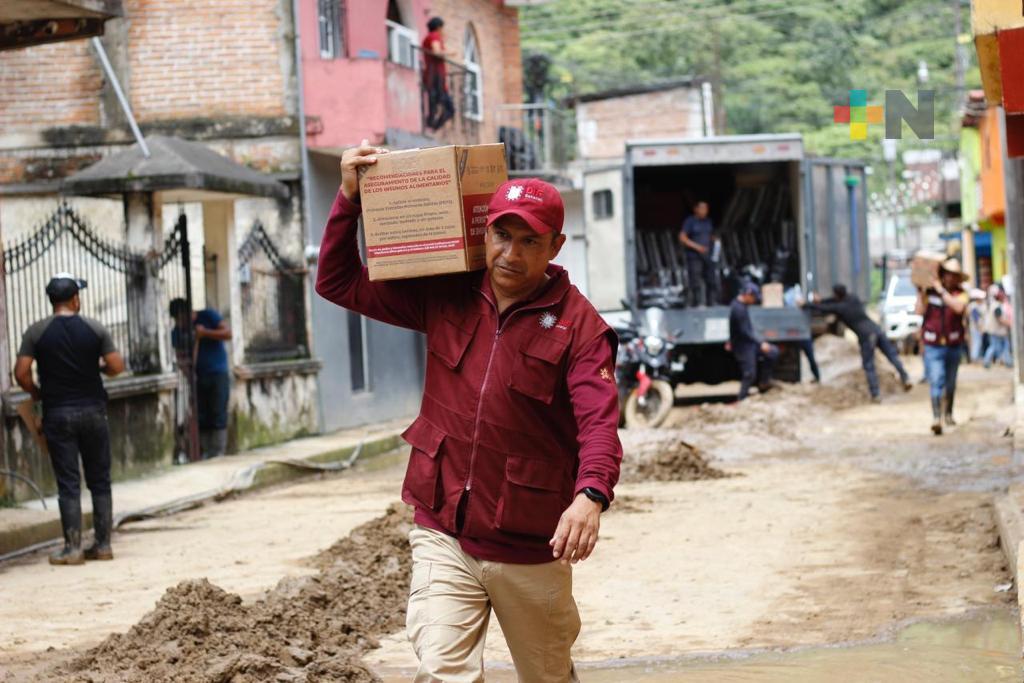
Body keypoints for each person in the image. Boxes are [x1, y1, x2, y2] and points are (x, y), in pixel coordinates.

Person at [316, 141, 622, 682]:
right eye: (503, 236)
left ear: (556, 245)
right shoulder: (446, 292)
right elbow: (337, 282)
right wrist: (348, 199)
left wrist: (590, 495)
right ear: (485, 232)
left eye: (531, 241)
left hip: (530, 545)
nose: (512, 253)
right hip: (443, 532)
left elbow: (598, 421)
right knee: (441, 672)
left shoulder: (581, 327)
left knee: (547, 677)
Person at [14, 273, 124, 565]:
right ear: (76, 299)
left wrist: (36, 392)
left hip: (58, 414)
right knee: (100, 479)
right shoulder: (94, 328)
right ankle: (102, 545)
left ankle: (72, 548)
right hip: (93, 412)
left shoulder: (36, 332)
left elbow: (21, 373)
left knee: (68, 482)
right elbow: (116, 365)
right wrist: (96, 369)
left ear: (52, 300)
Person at [804, 284, 912, 403]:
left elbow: (824, 308)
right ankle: (905, 377)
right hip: (877, 330)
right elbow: (831, 301)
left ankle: (875, 394)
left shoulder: (840, 308)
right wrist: (821, 300)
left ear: (836, 295)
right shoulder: (853, 298)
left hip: (866, 336)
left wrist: (806, 304)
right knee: (892, 356)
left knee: (869, 365)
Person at [169, 298, 232, 458]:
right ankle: (205, 452)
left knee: (217, 413)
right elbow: (180, 356)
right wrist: (188, 371)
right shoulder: (177, 332)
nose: (180, 322)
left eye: (181, 318)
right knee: (201, 415)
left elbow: (228, 333)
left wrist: (205, 333)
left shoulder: (208, 316)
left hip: (218, 373)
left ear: (188, 313)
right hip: (197, 377)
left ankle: (218, 452)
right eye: (177, 320)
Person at [916, 258, 969, 435]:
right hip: (933, 345)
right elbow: (919, 311)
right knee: (936, 379)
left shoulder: (960, 294)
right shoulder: (929, 294)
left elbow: (959, 308)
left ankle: (948, 414)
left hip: (954, 344)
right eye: (947, 274)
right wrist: (921, 293)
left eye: (954, 275)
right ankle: (936, 418)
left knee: (951, 383)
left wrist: (941, 291)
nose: (950, 278)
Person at [727, 282, 779, 400]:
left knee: (773, 352)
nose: (754, 301)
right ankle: (741, 399)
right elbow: (744, 331)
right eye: (754, 297)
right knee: (749, 374)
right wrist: (761, 343)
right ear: (748, 295)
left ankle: (764, 383)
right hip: (742, 346)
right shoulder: (738, 309)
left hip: (748, 343)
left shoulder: (741, 306)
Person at [678, 200, 718, 306]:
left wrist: (715, 242)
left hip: (707, 255)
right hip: (694, 256)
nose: (704, 211)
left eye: (706, 208)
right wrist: (697, 247)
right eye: (702, 208)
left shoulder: (708, 222)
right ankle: (697, 303)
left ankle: (712, 303)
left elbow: (711, 235)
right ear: (696, 209)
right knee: (695, 280)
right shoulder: (690, 221)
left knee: (711, 279)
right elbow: (682, 237)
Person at [422, 16, 455, 130]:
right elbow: (436, 52)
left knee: (438, 104)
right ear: (438, 27)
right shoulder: (434, 36)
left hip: (434, 77)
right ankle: (433, 125)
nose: (443, 31)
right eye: (442, 28)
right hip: (435, 77)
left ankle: (432, 124)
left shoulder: (430, 37)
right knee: (448, 108)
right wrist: (450, 53)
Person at [983, 285, 1012, 368]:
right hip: (997, 331)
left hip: (998, 331)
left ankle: (1008, 362)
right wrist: (1010, 323)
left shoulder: (995, 304)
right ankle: (986, 361)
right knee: (994, 347)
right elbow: (1000, 318)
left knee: (1004, 347)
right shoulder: (996, 306)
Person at [967, 288, 988, 362]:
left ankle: (976, 357)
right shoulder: (974, 306)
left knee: (978, 343)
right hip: (976, 328)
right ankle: (974, 358)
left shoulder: (977, 305)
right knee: (977, 343)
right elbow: (976, 319)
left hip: (977, 328)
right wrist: (980, 328)